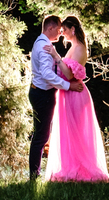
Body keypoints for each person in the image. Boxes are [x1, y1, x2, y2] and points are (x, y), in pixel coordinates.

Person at [42, 15, 109, 182]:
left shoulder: (80, 48)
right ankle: (68, 168)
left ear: (73, 29)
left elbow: (69, 74)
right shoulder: (73, 47)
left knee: (76, 133)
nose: (63, 34)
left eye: (64, 30)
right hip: (67, 93)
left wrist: (55, 56)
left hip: (75, 94)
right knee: (67, 132)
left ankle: (82, 171)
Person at [28, 14, 83, 181]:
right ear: (50, 28)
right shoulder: (44, 46)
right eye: (58, 30)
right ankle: (33, 176)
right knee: (41, 136)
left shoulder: (42, 43)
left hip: (41, 93)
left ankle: (34, 174)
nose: (60, 34)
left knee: (41, 135)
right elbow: (46, 74)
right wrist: (69, 85)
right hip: (42, 94)